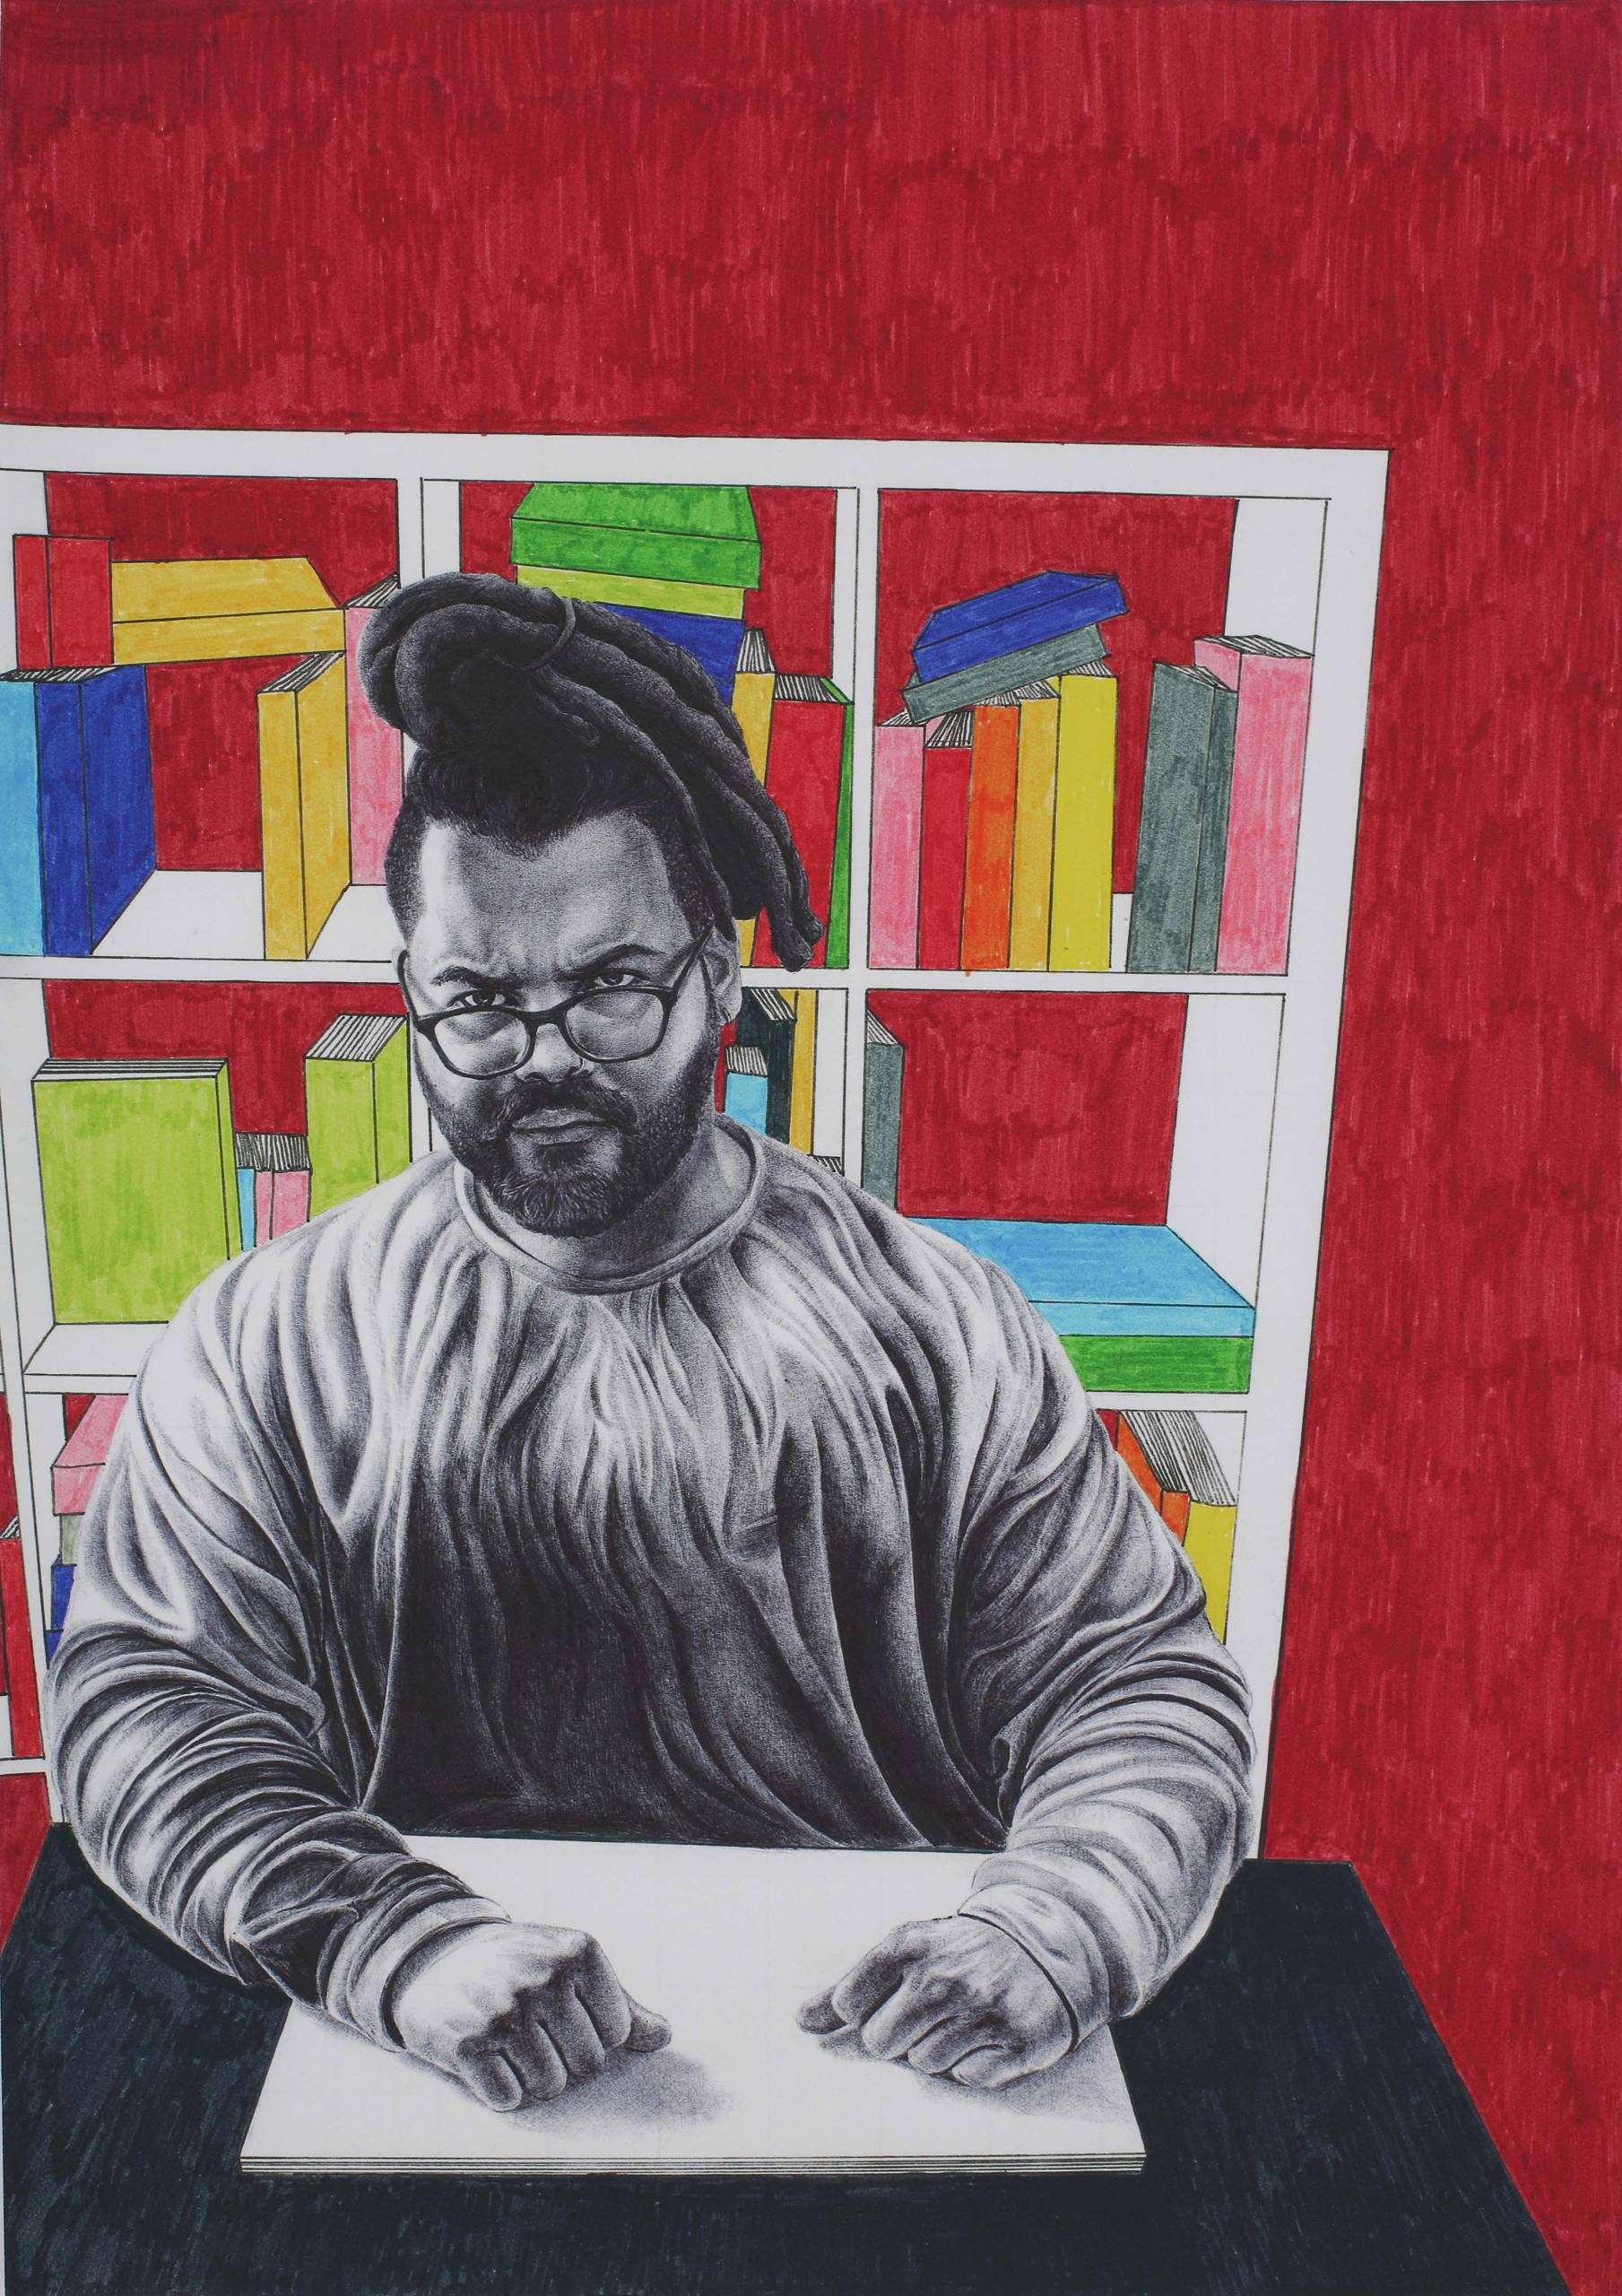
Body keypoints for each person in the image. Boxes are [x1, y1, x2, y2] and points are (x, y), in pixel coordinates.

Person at [47, 574, 1254, 2113]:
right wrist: (388, 1941)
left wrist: (1057, 1925)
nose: (542, 1061)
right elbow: (149, 1713)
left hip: (894, 2072)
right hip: (422, 2077)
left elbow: (1135, 1688)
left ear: (718, 976)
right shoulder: (265, 1341)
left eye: (612, 987)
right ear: (410, 997)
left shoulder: (936, 1322)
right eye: (478, 1002)